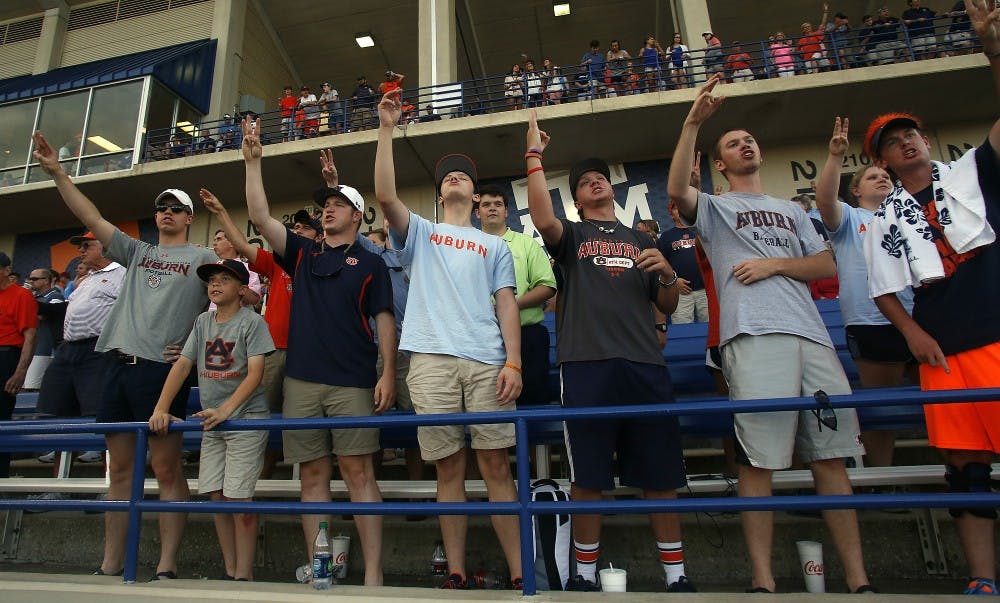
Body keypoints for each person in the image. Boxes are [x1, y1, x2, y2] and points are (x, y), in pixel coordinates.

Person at [667, 75, 875, 594]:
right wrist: (694, 122)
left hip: (812, 338)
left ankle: (858, 579)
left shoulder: (792, 209)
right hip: (754, 336)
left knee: (830, 458)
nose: (745, 144)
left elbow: (827, 263)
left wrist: (774, 264)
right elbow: (675, 190)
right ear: (720, 163)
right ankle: (763, 580)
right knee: (758, 461)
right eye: (733, 143)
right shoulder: (714, 208)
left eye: (748, 139)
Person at [32, 130, 219, 579]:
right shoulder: (137, 251)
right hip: (115, 365)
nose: (167, 213)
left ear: (190, 217)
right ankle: (111, 562)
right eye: (162, 207)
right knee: (119, 472)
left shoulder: (204, 256)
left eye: (176, 208)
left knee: (167, 469)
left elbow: (232, 302)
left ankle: (167, 564)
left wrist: (190, 347)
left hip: (162, 372)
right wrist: (59, 173)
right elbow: (90, 216)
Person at [861, 4, 1000, 593]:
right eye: (893, 143)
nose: (906, 144)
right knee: (966, 472)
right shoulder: (882, 216)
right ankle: (982, 579)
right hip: (945, 346)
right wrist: (913, 334)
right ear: (883, 161)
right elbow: (885, 290)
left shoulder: (972, 172)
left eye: (911, 134)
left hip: (997, 325)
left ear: (924, 140)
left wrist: (992, 49)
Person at [525, 111, 693, 593]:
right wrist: (533, 155)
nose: (595, 182)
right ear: (576, 200)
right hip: (587, 364)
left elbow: (666, 301)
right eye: (584, 181)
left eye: (601, 177)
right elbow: (541, 217)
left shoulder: (644, 239)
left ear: (613, 191)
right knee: (589, 477)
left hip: (644, 364)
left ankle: (677, 577)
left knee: (660, 477)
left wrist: (664, 274)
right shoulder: (573, 236)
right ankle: (583, 575)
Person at [375, 89, 523, 590]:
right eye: (447, 177)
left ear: (477, 195)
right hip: (432, 361)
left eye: (463, 175)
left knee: (496, 465)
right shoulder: (420, 233)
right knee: (448, 469)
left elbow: (506, 304)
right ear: (440, 195)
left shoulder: (495, 244)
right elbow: (385, 197)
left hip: (487, 361)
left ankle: (521, 569)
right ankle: (456, 571)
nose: (454, 178)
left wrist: (515, 363)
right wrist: (387, 129)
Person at [240, 116, 395, 587]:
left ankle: (373, 573)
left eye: (337, 204)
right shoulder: (303, 254)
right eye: (325, 204)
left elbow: (385, 320)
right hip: (301, 381)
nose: (327, 209)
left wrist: (387, 373)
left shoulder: (372, 263)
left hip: (352, 381)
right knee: (311, 478)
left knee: (358, 474)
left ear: (357, 214)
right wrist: (252, 164)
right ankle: (321, 568)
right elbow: (262, 218)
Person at [149, 259, 274, 582]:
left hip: (245, 420)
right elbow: (182, 365)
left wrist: (227, 410)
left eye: (225, 279)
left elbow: (256, 374)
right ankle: (230, 569)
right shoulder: (203, 322)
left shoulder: (252, 322)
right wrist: (160, 408)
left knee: (239, 498)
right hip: (212, 422)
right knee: (217, 496)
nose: (216, 285)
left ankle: (243, 576)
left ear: (242, 289)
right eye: (211, 280)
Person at [815, 117, 916, 468]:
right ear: (856, 191)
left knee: (943, 401)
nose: (883, 178)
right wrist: (835, 157)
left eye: (886, 176)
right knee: (883, 408)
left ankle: (957, 471)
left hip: (921, 317)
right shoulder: (848, 220)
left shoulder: (907, 213)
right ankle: (882, 480)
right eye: (873, 177)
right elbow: (825, 199)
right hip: (871, 320)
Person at [34, 232, 124, 472]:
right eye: (80, 247)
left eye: (87, 246)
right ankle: (59, 486)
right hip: (69, 349)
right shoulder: (86, 278)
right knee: (59, 416)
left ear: (106, 247)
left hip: (99, 350)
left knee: (102, 419)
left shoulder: (123, 273)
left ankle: (108, 487)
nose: (80, 251)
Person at [475, 184, 557, 405]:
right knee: (488, 405)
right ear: (477, 212)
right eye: (486, 205)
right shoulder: (468, 246)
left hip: (527, 336)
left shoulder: (526, 243)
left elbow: (547, 287)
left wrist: (510, 306)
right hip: (479, 338)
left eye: (498, 204)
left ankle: (537, 441)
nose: (492, 208)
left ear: (506, 211)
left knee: (531, 404)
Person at [0, 250, 37, 478]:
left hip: (6, 356)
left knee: (1, 420)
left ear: (5, 271)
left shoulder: (21, 295)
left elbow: (30, 335)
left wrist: (20, 372)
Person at [659, 202, 709, 324]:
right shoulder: (666, 236)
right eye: (676, 208)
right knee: (682, 329)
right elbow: (661, 264)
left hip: (705, 289)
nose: (680, 210)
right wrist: (674, 281)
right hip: (681, 292)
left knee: (711, 327)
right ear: (671, 215)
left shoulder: (698, 231)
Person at [23, 268, 65, 390]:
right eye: (30, 279)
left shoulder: (55, 295)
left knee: (32, 387)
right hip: (30, 348)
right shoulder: (34, 297)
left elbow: (43, 315)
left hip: (45, 349)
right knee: (23, 386)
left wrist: (26, 300)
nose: (31, 282)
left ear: (46, 280)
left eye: (34, 279)